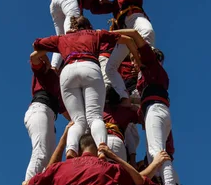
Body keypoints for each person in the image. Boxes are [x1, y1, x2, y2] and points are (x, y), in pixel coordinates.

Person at [32, 15, 140, 158]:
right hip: (90, 67)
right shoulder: (95, 34)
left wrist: (48, 55)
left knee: (78, 120)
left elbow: (36, 46)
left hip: (68, 71)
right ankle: (101, 149)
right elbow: (128, 40)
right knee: (95, 117)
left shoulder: (62, 39)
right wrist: (138, 60)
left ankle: (71, 150)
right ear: (88, 26)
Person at [90, 0, 154, 101]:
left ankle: (144, 80)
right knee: (110, 68)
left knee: (147, 32)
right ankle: (124, 96)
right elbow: (93, 8)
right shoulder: (114, 6)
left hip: (136, 19)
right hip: (125, 29)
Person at [120, 30, 176, 185]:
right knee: (155, 153)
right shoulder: (156, 77)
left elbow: (135, 35)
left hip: (155, 109)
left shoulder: (151, 65)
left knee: (156, 151)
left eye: (134, 61)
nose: (134, 65)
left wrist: (113, 35)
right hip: (159, 109)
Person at [49, 0, 117, 70]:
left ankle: (54, 67)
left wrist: (109, 0)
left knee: (60, 37)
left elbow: (94, 7)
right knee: (74, 24)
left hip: (57, 0)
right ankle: (74, 54)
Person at [23, 52, 67, 183]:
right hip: (40, 110)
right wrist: (47, 62)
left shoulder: (60, 86)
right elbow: (34, 55)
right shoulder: (45, 71)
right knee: (41, 152)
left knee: (50, 162)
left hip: (47, 114)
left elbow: (67, 113)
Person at [104, 87, 140, 185]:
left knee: (102, 181)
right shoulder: (124, 111)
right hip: (118, 141)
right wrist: (130, 102)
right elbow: (140, 113)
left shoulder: (100, 108)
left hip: (102, 141)